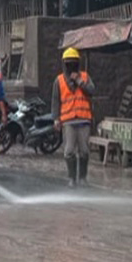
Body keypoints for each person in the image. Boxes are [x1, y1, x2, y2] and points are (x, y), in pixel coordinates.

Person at [53, 48, 95, 187]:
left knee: (84, 151)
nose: (71, 66)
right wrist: (56, 119)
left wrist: (79, 81)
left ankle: (82, 178)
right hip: (68, 121)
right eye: (69, 63)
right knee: (69, 151)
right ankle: (72, 178)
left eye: (74, 63)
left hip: (84, 120)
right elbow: (55, 100)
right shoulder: (59, 80)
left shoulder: (85, 77)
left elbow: (92, 91)